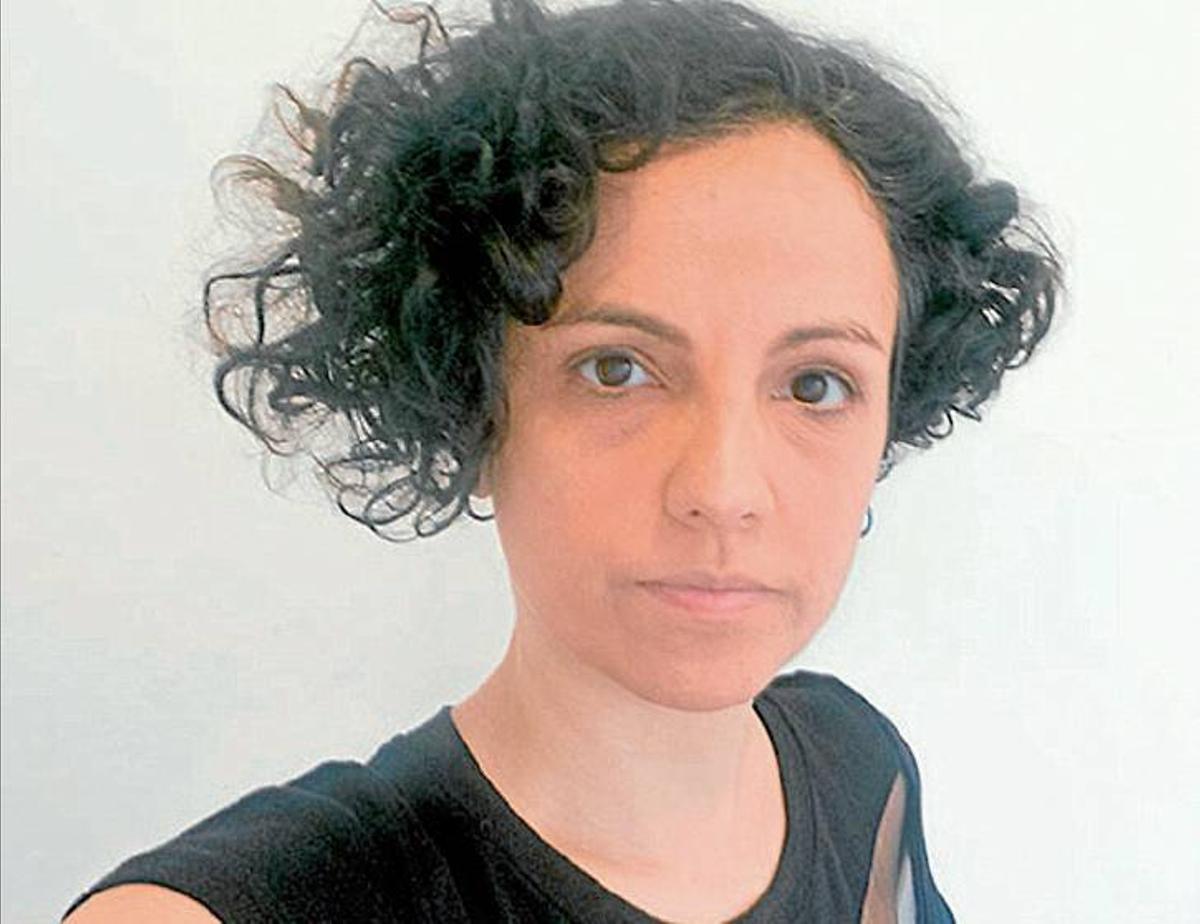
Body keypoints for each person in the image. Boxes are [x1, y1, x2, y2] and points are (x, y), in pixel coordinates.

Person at [62, 0, 1061, 920]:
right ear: (471, 402)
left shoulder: (859, 765)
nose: (723, 491)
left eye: (815, 385)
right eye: (616, 370)